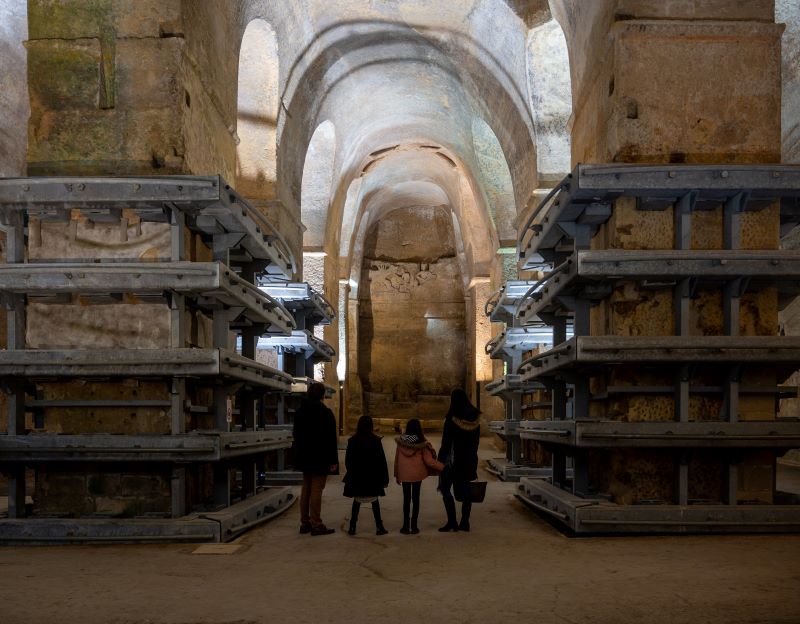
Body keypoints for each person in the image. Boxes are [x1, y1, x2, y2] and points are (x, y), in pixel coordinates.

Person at [292, 382, 338, 536]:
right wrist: (333, 461)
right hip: (320, 456)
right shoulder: (325, 413)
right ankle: (316, 523)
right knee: (317, 489)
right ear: (322, 395)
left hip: (305, 456)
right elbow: (331, 439)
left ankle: (305, 523)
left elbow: (296, 435)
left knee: (306, 488)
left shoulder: (299, 412)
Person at [438, 388, 480, 532]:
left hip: (452, 462)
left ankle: (452, 522)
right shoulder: (475, 418)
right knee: (466, 490)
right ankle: (465, 522)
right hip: (469, 460)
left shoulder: (452, 418)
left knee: (444, 488)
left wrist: (440, 460)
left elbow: (446, 443)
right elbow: (476, 443)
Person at [394, 418, 444, 534]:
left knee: (406, 499)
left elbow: (397, 460)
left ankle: (405, 526)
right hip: (417, 475)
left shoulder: (401, 441)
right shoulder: (422, 442)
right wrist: (443, 467)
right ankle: (414, 526)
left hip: (404, 474)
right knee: (415, 499)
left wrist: (397, 475)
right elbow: (429, 461)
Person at [343, 415, 390, 536]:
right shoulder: (375, 441)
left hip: (357, 477)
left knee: (357, 501)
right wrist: (384, 479)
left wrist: (353, 473)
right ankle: (379, 526)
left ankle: (352, 526)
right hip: (372, 478)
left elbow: (348, 461)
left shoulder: (352, 441)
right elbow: (381, 462)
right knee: (374, 501)